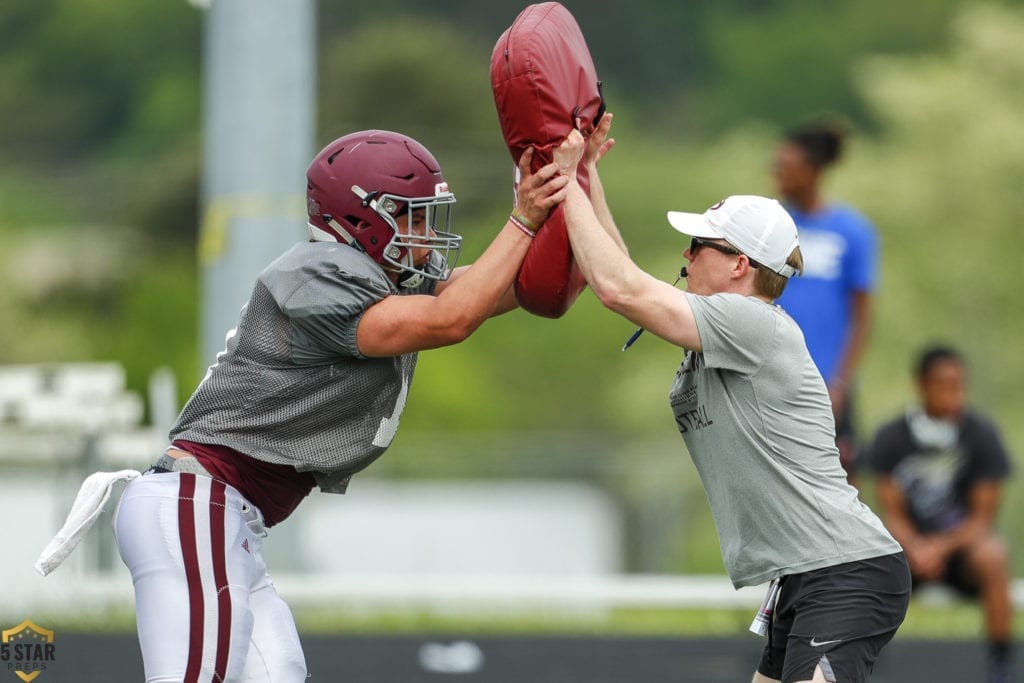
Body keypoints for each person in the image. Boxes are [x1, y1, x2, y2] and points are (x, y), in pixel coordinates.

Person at [110, 129, 569, 682]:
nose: (425, 236)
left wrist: (579, 192)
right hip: (195, 502)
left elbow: (537, 285)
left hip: (229, 517)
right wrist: (522, 218)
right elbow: (452, 320)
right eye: (413, 217)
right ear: (361, 219)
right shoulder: (318, 270)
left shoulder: (379, 283)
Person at [553, 117, 909, 683]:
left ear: (741, 264)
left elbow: (619, 287)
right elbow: (622, 279)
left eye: (700, 244)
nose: (687, 253)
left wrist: (565, 180)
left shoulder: (750, 322)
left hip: (846, 571)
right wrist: (589, 176)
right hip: (801, 576)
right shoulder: (726, 325)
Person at [867, 346, 1014, 683]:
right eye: (943, 384)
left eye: (958, 384)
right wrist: (917, 547)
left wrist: (940, 547)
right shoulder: (891, 437)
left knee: (993, 555)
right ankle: (859, 659)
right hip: (909, 552)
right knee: (868, 560)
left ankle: (1001, 665)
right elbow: (891, 511)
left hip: (961, 553)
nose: (952, 393)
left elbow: (982, 519)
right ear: (920, 384)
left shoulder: (982, 435)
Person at [772, 123, 879, 483]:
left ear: (812, 170)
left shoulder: (852, 231)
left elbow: (862, 316)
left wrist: (840, 383)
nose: (778, 176)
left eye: (786, 167)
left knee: (842, 485)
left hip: (825, 383)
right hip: (772, 377)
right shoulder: (772, 225)